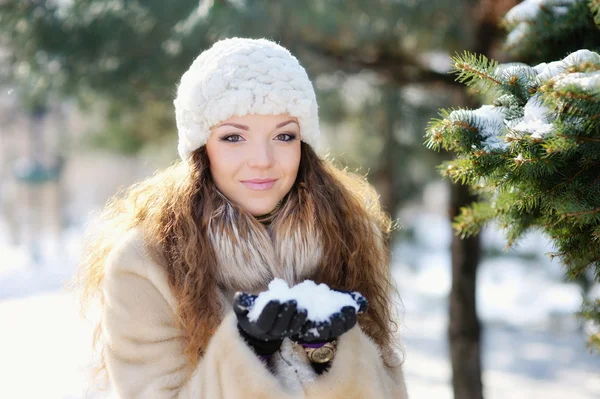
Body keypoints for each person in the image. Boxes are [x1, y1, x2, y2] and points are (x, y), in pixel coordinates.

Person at [78, 37, 409, 398]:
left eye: (284, 135)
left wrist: (331, 357)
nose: (262, 160)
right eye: (234, 137)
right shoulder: (147, 261)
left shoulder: (350, 235)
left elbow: (392, 390)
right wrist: (247, 352)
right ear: (200, 148)